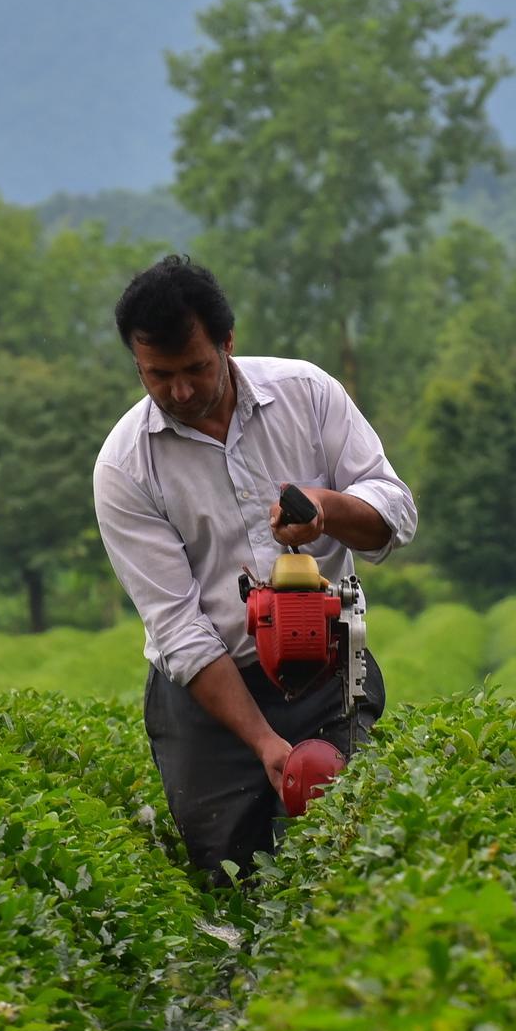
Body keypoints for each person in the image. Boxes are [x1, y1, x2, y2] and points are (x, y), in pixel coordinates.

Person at [93, 255, 418, 879]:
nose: (180, 392)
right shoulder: (125, 467)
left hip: (329, 675)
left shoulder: (308, 394)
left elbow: (394, 512)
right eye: (158, 376)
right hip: (210, 701)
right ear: (137, 363)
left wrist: (326, 509)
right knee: (226, 874)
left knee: (348, 856)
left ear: (227, 344)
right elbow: (179, 630)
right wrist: (263, 741)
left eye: (196, 368)